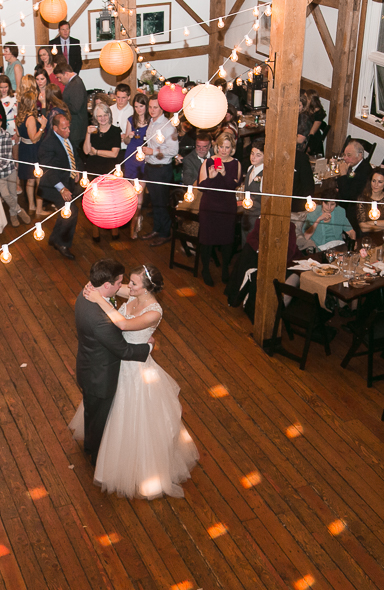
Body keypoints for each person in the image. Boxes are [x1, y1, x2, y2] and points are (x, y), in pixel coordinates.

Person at [69, 264, 198, 497]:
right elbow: (111, 287)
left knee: (132, 415)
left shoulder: (154, 312)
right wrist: (97, 286)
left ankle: (130, 461)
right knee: (109, 410)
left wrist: (99, 299)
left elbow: (124, 324)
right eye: (127, 281)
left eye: (134, 283)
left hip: (136, 369)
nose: (128, 286)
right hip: (117, 363)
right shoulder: (134, 292)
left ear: (145, 289)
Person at [68, 259, 152, 465]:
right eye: (118, 283)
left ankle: (89, 446)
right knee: (101, 422)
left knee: (92, 414)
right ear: (107, 285)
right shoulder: (101, 321)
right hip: (101, 377)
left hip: (87, 366)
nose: (121, 287)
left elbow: (117, 293)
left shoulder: (86, 293)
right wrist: (148, 347)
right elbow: (123, 350)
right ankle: (97, 460)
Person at [197, 133, 240, 287]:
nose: (223, 150)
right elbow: (201, 187)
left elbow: (232, 186)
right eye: (221, 146)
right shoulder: (208, 162)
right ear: (216, 146)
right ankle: (206, 271)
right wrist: (211, 176)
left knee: (227, 240)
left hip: (227, 207)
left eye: (227, 147)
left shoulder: (236, 163)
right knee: (207, 240)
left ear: (232, 148)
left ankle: (225, 271)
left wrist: (224, 174)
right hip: (210, 206)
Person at [37, 113, 82, 260]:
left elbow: (73, 156)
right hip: (54, 185)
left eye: (68, 127)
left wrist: (76, 171)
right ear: (55, 128)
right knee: (71, 211)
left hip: (67, 180)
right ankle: (62, 244)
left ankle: (55, 238)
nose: (68, 130)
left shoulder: (66, 137)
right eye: (64, 128)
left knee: (67, 211)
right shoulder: (48, 143)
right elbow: (48, 170)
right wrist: (62, 189)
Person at [141, 94, 180, 246]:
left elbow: (174, 150)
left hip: (162, 169)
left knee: (161, 203)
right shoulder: (152, 122)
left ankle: (165, 233)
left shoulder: (168, 126)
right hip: (151, 167)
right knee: (155, 203)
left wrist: (153, 152)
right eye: (150, 107)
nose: (151, 110)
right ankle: (157, 229)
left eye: (155, 107)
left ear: (162, 108)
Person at [0, 113, 30, 227]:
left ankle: (13, 215)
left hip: (9, 170)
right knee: (5, 194)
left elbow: (8, 157)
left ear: (1, 123)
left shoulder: (6, 135)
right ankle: (19, 210)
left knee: (13, 194)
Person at [83, 102, 122, 242]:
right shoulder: (93, 131)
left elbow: (114, 154)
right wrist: (87, 135)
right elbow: (87, 151)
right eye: (99, 116)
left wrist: (97, 152)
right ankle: (95, 232)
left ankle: (114, 230)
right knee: (95, 203)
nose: (103, 118)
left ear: (109, 115)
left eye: (105, 115)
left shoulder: (115, 131)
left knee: (112, 203)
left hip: (109, 171)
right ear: (95, 117)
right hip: (93, 170)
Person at [122, 93, 151, 238]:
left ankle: (134, 223)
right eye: (136, 106)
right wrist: (129, 136)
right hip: (131, 157)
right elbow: (126, 142)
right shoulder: (130, 120)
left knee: (139, 193)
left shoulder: (152, 121)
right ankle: (133, 219)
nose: (139, 109)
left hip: (144, 158)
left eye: (141, 106)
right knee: (131, 193)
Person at [15, 91, 48, 215]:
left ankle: (32, 206)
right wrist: (42, 127)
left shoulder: (19, 116)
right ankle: (39, 209)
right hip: (33, 150)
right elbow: (34, 139)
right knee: (39, 179)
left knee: (30, 180)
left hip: (24, 148)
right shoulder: (30, 119)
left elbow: (18, 133)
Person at [336, 139, 372, 235]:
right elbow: (350, 181)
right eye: (344, 155)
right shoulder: (355, 166)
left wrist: (343, 175)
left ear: (360, 155)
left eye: (349, 155)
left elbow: (347, 195)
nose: (345, 158)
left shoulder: (364, 170)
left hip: (356, 208)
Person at [356, 167, 384, 232]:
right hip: (367, 237)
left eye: (380, 182)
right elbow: (363, 228)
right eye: (373, 181)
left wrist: (373, 223)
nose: (375, 185)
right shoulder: (362, 199)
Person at [56, 63, 87, 153]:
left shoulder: (76, 84)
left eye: (59, 77)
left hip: (76, 129)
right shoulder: (73, 83)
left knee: (76, 157)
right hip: (75, 128)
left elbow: (75, 108)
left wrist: (61, 104)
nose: (59, 80)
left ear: (66, 73)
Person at [239, 140, 263, 244]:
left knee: (254, 244)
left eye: (258, 155)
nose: (253, 157)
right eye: (252, 153)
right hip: (247, 215)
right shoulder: (250, 168)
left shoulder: (265, 175)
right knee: (245, 242)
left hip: (257, 216)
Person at [305, 89, 327, 157]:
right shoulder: (308, 109)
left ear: (310, 100)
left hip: (313, 140)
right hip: (306, 134)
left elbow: (312, 133)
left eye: (305, 98)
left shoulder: (318, 114)